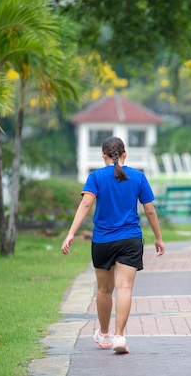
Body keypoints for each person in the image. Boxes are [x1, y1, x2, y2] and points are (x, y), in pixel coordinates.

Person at [61, 136, 165, 354]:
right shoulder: (138, 177)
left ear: (103, 155)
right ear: (125, 153)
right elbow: (149, 210)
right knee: (125, 287)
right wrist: (158, 238)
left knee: (104, 289)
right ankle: (120, 336)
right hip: (130, 239)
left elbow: (86, 204)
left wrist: (71, 233)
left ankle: (105, 334)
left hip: (102, 241)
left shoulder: (96, 176)